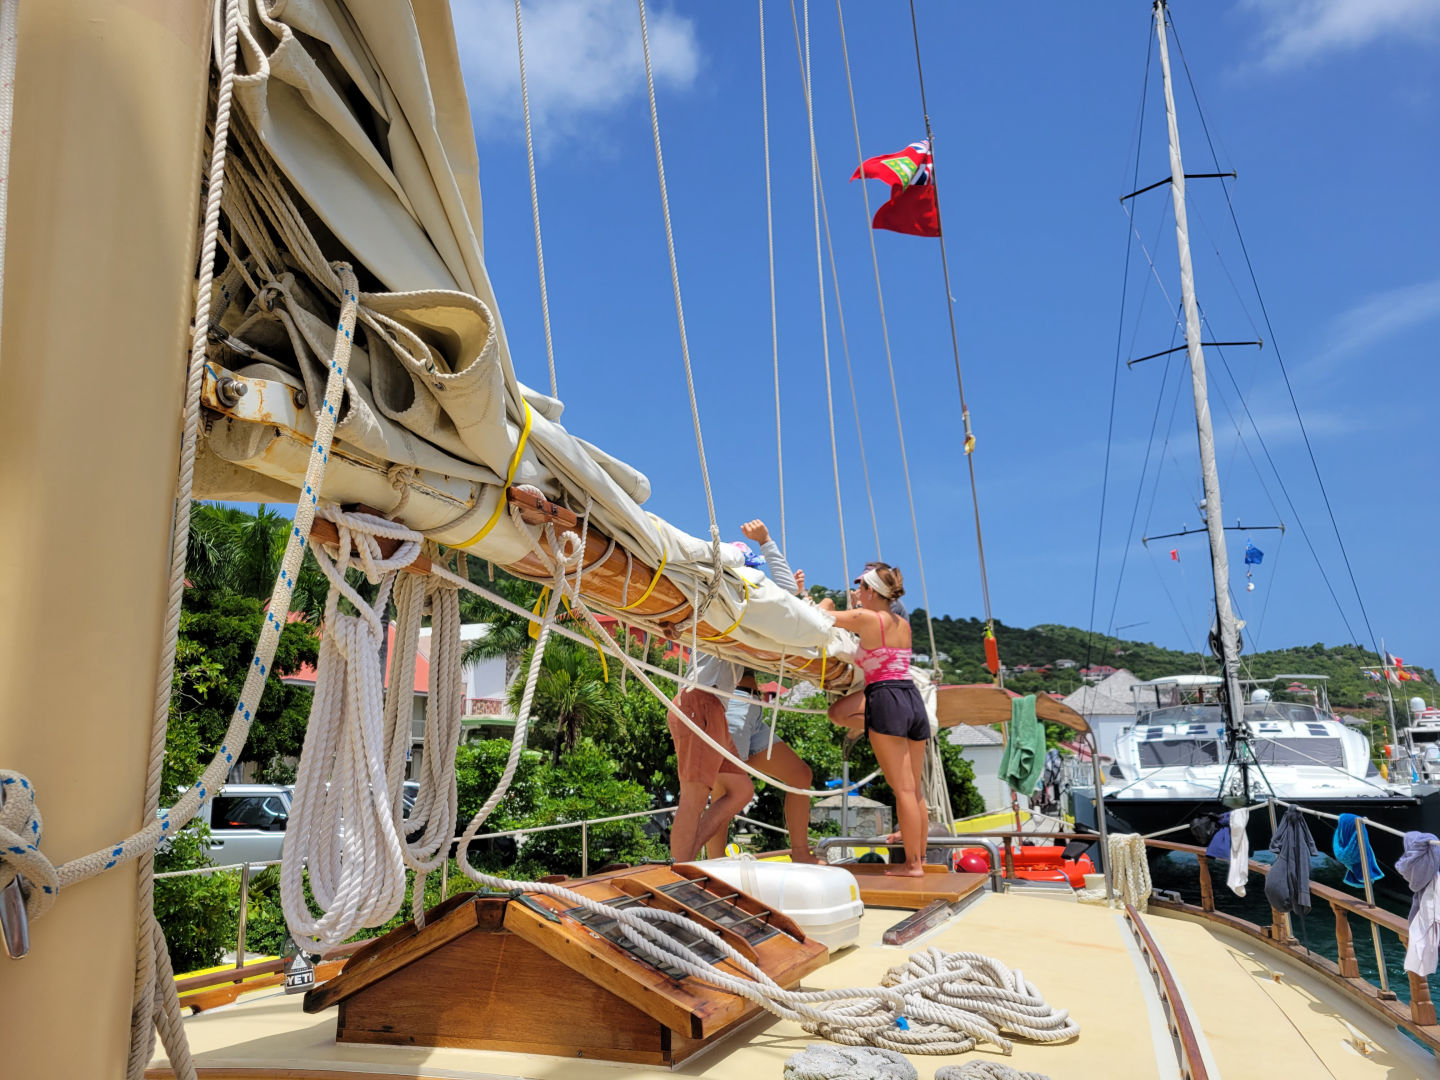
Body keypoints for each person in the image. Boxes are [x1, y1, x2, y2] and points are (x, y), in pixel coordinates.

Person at [666, 519, 796, 861]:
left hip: (713, 708)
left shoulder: (732, 610)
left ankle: (688, 856)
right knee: (694, 797)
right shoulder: (723, 606)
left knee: (740, 790)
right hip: (699, 702)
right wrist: (767, 542)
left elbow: (787, 598)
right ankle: (682, 869)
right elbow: (789, 595)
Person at [819, 563, 929, 877]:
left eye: (860, 588)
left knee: (903, 790)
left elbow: (820, 617)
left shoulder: (866, 618)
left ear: (870, 590)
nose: (857, 593)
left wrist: (825, 602)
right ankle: (919, 858)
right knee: (913, 790)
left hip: (885, 697)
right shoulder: (902, 624)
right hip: (912, 698)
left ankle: (912, 865)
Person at [702, 669, 819, 863]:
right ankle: (715, 865)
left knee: (800, 775)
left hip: (753, 708)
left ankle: (800, 853)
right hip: (732, 702)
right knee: (724, 793)